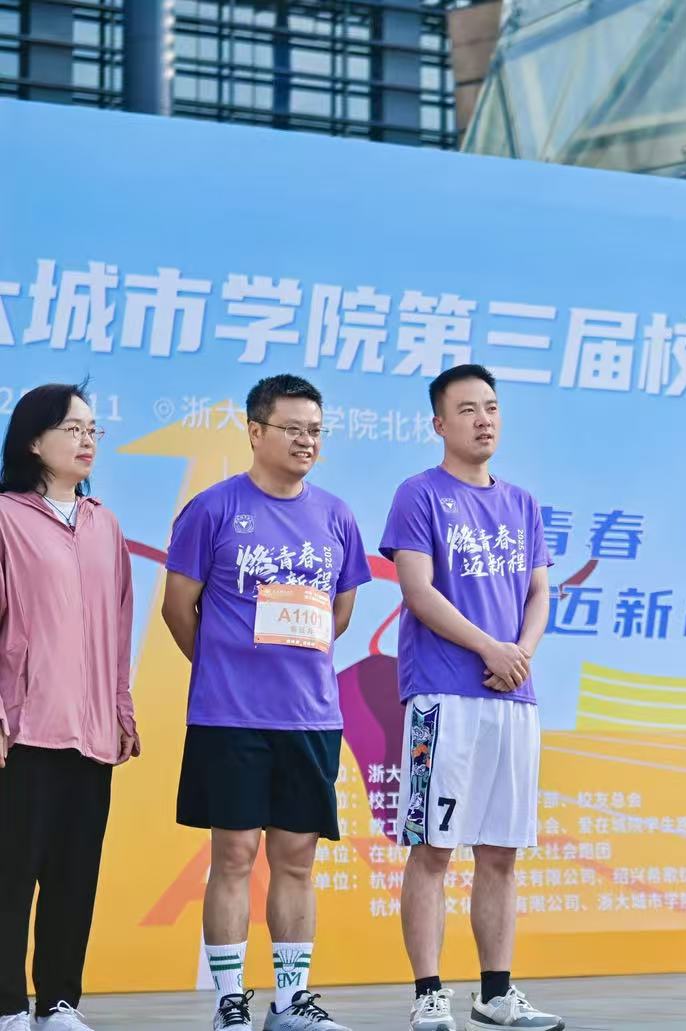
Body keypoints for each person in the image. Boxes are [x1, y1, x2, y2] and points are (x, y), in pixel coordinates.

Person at [163, 375, 372, 1031]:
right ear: (255, 432)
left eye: (315, 431)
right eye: (292, 429)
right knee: (232, 857)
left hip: (310, 717)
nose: (306, 441)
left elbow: (340, 611)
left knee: (297, 860)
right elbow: (177, 607)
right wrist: (223, 667)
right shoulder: (213, 509)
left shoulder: (336, 515)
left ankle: (290, 1001)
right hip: (230, 718)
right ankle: (230, 1001)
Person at [380, 364, 562, 1031]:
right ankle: (430, 993)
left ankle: (496, 992)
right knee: (434, 847)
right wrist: (491, 648)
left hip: (513, 696)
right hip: (443, 695)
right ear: (438, 423)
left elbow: (539, 591)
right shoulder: (419, 494)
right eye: (467, 410)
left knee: (501, 850)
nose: (483, 420)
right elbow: (418, 590)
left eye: (491, 407)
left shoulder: (521, 503)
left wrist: (521, 654)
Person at [0, 385, 140, 1031]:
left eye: (93, 429)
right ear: (34, 440)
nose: (87, 440)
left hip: (92, 735)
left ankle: (58, 1002)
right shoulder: (6, 518)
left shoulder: (104, 524)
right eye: (72, 428)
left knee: (74, 874)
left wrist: (121, 709)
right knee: (11, 875)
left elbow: (119, 627)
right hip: (24, 729)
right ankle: (7, 1004)